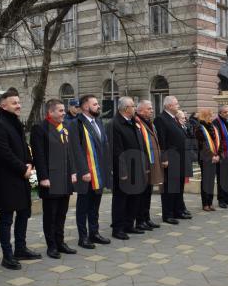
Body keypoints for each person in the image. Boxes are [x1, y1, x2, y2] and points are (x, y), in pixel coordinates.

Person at [0, 88, 41, 270]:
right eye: (14, 103)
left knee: (24, 213)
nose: (18, 105)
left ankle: (21, 248)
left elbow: (23, 147)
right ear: (3, 105)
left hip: (22, 177)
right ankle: (7, 255)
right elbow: (4, 153)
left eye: (19, 102)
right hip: (7, 180)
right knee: (6, 218)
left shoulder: (15, 122)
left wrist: (30, 162)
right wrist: (23, 169)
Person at [30, 99, 78, 259]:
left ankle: (60, 242)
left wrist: (72, 172)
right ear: (50, 112)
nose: (64, 113)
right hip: (50, 178)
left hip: (64, 178)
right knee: (51, 214)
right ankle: (51, 246)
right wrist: (43, 177)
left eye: (64, 110)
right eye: (60, 110)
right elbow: (39, 155)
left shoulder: (64, 127)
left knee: (62, 213)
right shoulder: (40, 128)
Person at [67, 94, 112, 249]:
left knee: (95, 205)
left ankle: (94, 233)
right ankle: (83, 237)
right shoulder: (76, 124)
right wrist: (83, 171)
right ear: (85, 106)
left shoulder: (98, 122)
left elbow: (104, 146)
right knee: (83, 206)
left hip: (98, 171)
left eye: (97, 104)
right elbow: (76, 149)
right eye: (95, 104)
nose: (98, 106)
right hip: (86, 173)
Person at [107, 97, 149, 240]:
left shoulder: (133, 122)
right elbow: (116, 151)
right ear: (125, 109)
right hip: (125, 170)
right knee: (121, 200)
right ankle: (118, 228)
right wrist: (122, 171)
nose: (135, 108)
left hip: (137, 167)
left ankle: (129, 225)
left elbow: (141, 144)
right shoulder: (115, 124)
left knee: (134, 198)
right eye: (133, 106)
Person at [154, 96, 190, 225]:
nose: (178, 106)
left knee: (178, 186)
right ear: (169, 106)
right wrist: (164, 158)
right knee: (169, 188)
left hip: (179, 158)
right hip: (170, 158)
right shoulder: (161, 119)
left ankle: (178, 210)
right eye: (176, 104)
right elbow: (162, 140)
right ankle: (168, 214)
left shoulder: (173, 119)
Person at [134, 100, 164, 230]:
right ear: (140, 110)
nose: (152, 110)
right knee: (141, 194)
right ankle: (140, 220)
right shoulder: (137, 123)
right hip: (144, 164)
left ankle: (146, 218)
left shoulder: (149, 123)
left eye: (152, 108)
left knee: (148, 193)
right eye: (149, 108)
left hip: (152, 164)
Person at [195, 109, 221, 211]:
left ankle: (210, 202)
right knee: (206, 180)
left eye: (212, 115)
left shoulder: (213, 127)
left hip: (214, 157)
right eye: (209, 115)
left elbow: (218, 142)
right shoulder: (199, 128)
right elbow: (201, 145)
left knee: (211, 180)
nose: (211, 117)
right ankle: (205, 203)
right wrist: (212, 156)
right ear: (204, 116)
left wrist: (218, 155)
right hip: (205, 158)